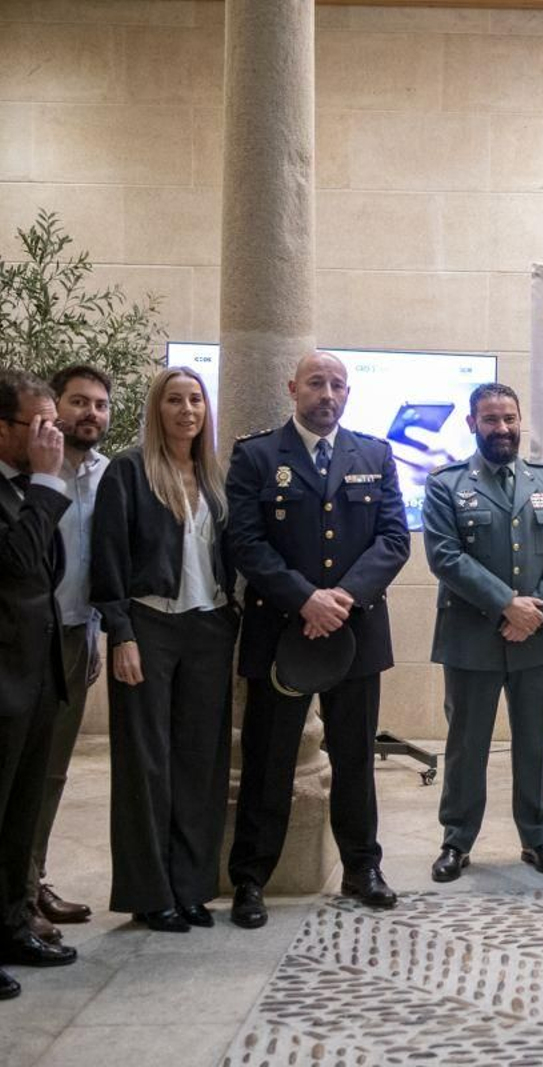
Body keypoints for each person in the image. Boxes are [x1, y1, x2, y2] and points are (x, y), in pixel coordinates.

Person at [226, 351, 410, 926]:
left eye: (336, 385)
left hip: (353, 633)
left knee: (355, 755)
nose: (326, 394)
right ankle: (251, 879)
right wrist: (305, 598)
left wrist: (342, 599)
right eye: (315, 383)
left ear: (348, 394)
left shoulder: (374, 454)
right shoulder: (256, 455)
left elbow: (394, 538)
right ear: (292, 389)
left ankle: (362, 868)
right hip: (282, 632)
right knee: (269, 759)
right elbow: (246, 542)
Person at [91, 368, 238, 931]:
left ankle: (193, 888)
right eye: (174, 400)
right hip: (149, 627)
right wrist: (120, 631)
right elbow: (107, 559)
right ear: (158, 409)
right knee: (146, 765)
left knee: (201, 764)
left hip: (208, 629)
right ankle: (151, 894)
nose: (186, 410)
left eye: (195, 400)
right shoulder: (130, 471)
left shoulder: (213, 475)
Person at [423, 383, 543, 881]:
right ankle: (457, 841)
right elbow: (445, 557)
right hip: (471, 638)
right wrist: (506, 605)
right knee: (467, 745)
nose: (502, 428)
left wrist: (535, 611)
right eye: (490, 419)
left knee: (534, 743)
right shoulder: (446, 484)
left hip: (536, 637)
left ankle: (538, 838)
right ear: (471, 424)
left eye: (509, 418)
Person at [26, 365, 110, 942]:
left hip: (77, 635)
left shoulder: (110, 474)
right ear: (53, 408)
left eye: (101, 405)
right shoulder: (27, 476)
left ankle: (31, 881)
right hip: (22, 636)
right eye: (79, 402)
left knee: (52, 770)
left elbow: (102, 562)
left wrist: (100, 629)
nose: (91, 414)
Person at [0, 370, 76, 999]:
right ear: (3, 429)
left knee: (18, 817)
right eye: (40, 425)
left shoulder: (25, 487)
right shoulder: (34, 488)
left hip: (33, 677)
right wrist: (50, 483)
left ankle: (9, 926)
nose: (52, 436)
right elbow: (20, 564)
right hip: (2, 678)